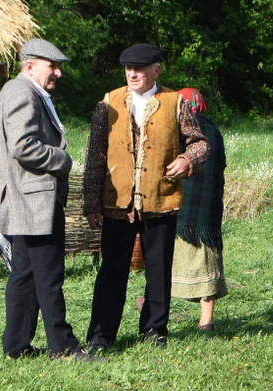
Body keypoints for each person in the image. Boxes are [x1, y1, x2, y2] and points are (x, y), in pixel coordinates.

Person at [83, 43, 209, 350]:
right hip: (117, 203)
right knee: (112, 271)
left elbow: (199, 143)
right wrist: (91, 202)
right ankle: (101, 336)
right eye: (128, 68)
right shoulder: (110, 100)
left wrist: (187, 160)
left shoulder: (175, 102)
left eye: (139, 69)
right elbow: (95, 153)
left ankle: (154, 331)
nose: (132, 73)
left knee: (158, 271)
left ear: (156, 70)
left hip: (160, 199)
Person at [0, 38, 98, 362]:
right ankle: (63, 346)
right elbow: (23, 146)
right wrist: (61, 159)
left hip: (27, 197)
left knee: (25, 273)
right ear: (30, 65)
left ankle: (16, 345)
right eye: (52, 66)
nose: (58, 73)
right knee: (48, 275)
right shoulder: (22, 92)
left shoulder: (22, 91)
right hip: (34, 199)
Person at [169, 87, 227, 333]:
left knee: (165, 259)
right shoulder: (214, 131)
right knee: (207, 261)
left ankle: (151, 305)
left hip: (179, 209)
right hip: (209, 210)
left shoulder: (179, 130)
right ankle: (206, 321)